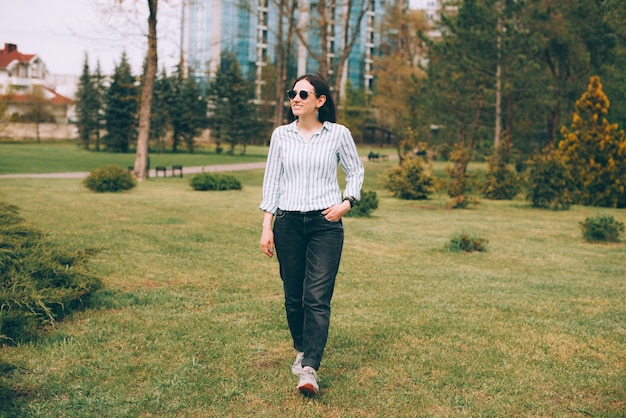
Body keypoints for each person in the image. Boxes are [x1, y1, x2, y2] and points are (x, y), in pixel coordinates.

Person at [259, 74, 364, 396]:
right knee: (294, 298)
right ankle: (302, 347)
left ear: (320, 101)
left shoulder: (338, 134)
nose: (296, 98)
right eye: (292, 93)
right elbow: (272, 180)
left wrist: (347, 202)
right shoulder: (281, 136)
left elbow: (355, 170)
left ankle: (309, 368)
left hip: (324, 225)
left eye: (303, 93)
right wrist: (267, 226)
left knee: (316, 298)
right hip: (288, 224)